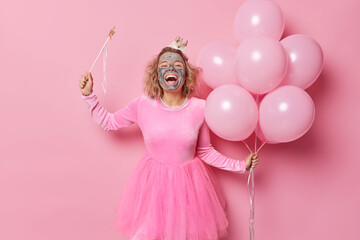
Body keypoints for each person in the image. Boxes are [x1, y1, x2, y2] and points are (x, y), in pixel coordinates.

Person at [79, 37, 259, 240]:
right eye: (164, 65)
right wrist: (89, 96)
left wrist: (240, 165)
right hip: (153, 186)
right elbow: (108, 123)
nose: (170, 68)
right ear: (157, 74)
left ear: (186, 73)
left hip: (189, 188)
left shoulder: (200, 108)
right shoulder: (143, 105)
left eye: (177, 65)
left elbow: (205, 151)